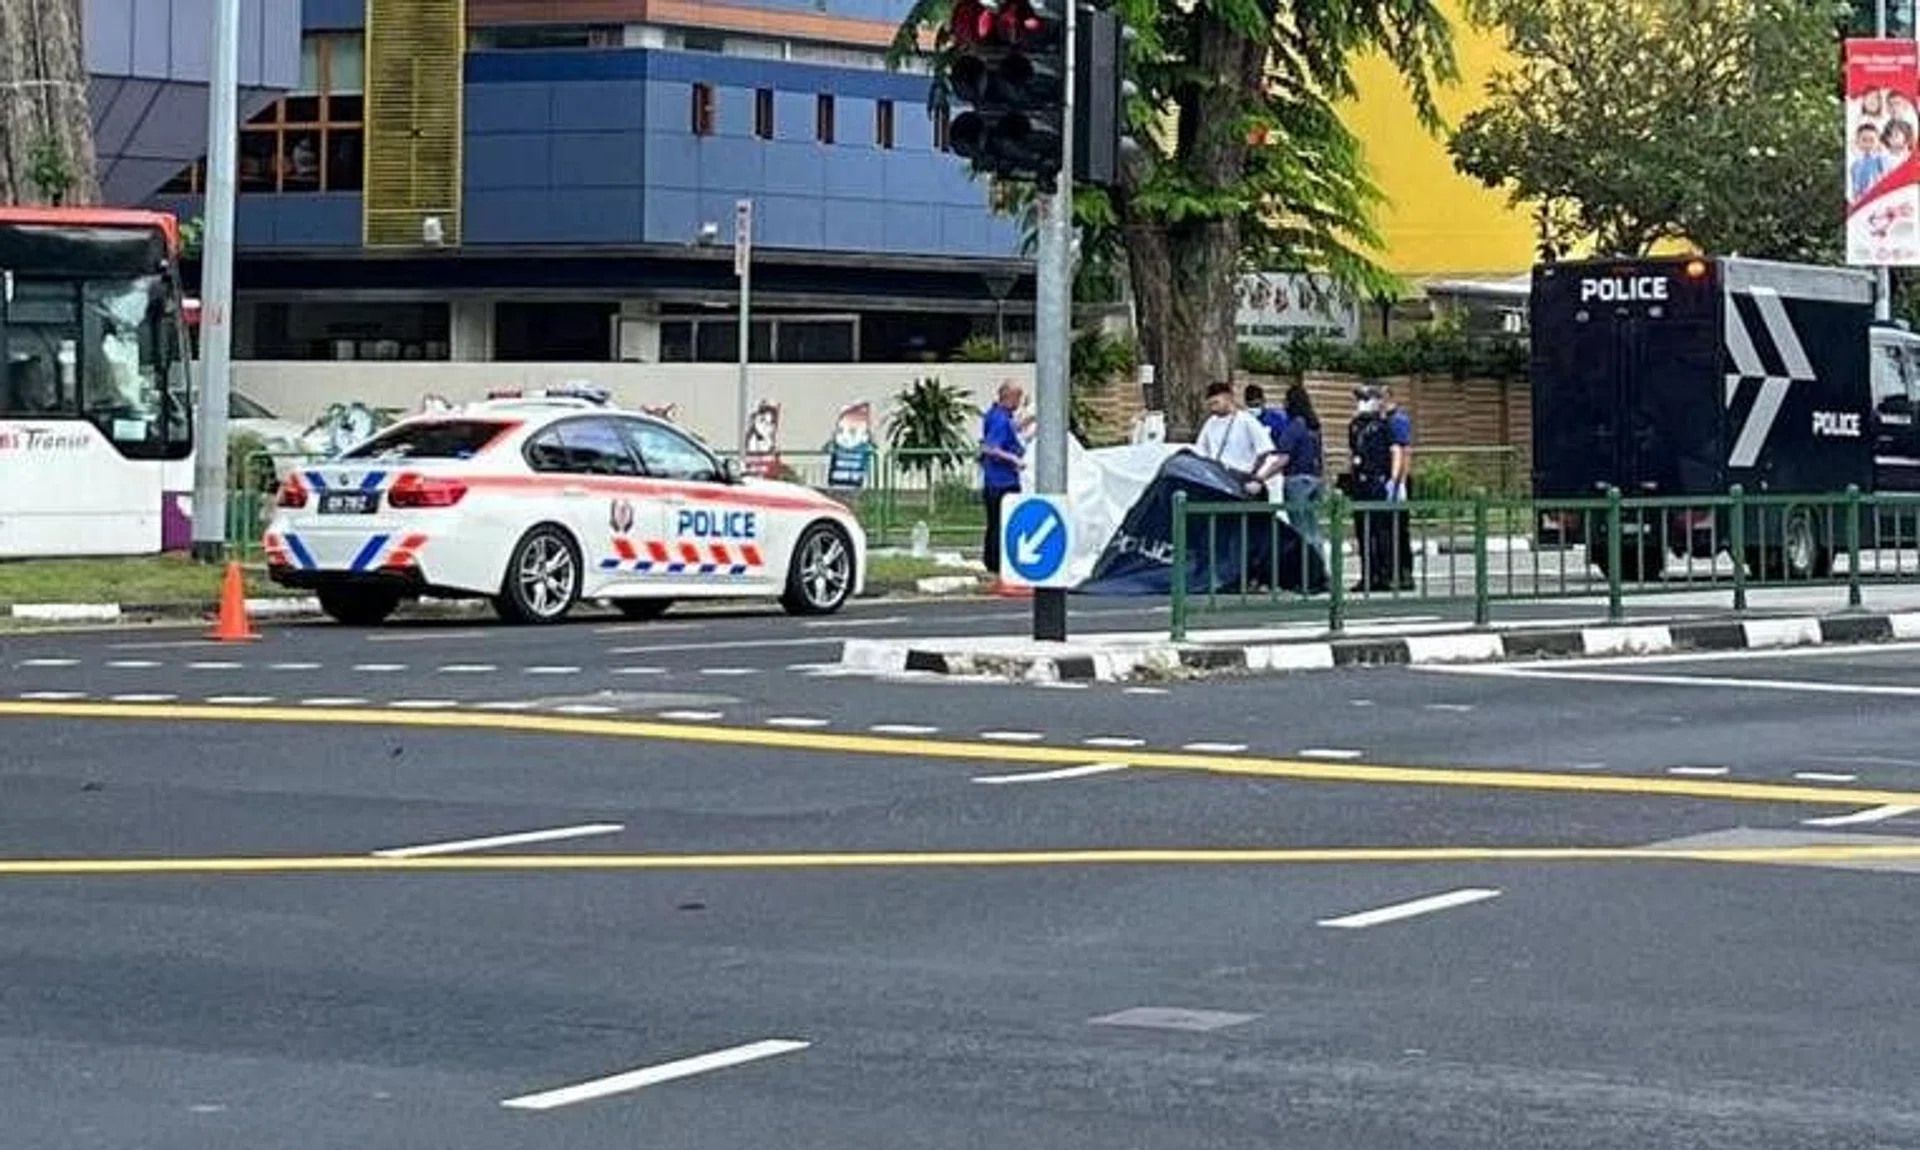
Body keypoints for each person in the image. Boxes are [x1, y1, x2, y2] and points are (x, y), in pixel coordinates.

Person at [1344, 386, 1397, 591]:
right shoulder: (1355, 425)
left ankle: (1384, 575)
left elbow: (1392, 452)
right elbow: (1353, 452)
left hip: (1378, 481)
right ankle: (1368, 575)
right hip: (1360, 483)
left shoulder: (1384, 425)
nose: (1360, 403)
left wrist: (1392, 481)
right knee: (1363, 531)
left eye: (1365, 399)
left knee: (1380, 531)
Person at [1194, 381, 1280, 497]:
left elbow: (1265, 450)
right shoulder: (1210, 423)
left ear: (1228, 398)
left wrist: (1255, 476)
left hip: (1242, 479)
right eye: (1210, 405)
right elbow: (1201, 451)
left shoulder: (1246, 420)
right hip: (1218, 479)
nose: (1213, 408)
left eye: (1216, 403)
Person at [1270, 382, 1325, 556]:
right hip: (1315, 478)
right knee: (1313, 526)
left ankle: (1307, 571)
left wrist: (1262, 475)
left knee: (1300, 528)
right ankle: (1320, 566)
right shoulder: (1314, 426)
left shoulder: (1295, 426)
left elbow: (1284, 457)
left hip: (1296, 480)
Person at [978, 379, 1026, 580]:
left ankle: (991, 561)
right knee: (1000, 523)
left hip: (995, 480)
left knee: (994, 523)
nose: (1019, 402)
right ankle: (997, 563)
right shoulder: (999, 419)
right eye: (1018, 397)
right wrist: (1013, 458)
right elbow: (990, 447)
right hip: (1002, 480)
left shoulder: (996, 416)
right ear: (1009, 396)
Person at [1383, 383, 1415, 590]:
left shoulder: (1398, 420)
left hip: (1396, 482)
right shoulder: (1383, 421)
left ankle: (1404, 573)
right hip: (1387, 481)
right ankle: (1391, 571)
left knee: (1399, 530)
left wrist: (1399, 482)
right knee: (1388, 531)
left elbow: (1405, 452)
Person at [1244, 383, 1288, 450]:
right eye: (1250, 406)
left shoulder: (1276, 419)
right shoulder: (1242, 421)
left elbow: (1284, 442)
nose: (1253, 409)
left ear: (1263, 401)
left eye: (1256, 405)